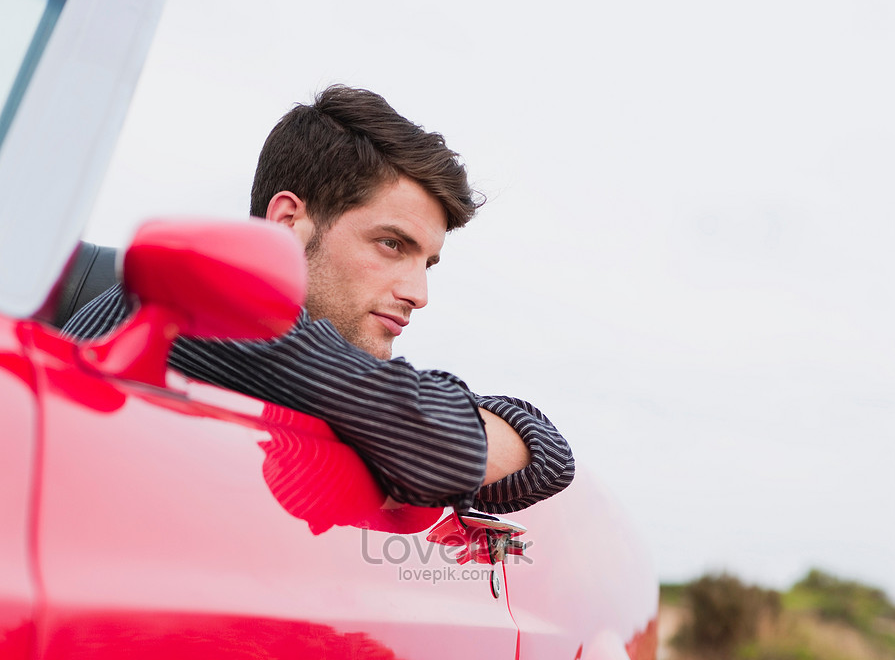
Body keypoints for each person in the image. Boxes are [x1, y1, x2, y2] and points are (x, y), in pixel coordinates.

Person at [65, 86, 574, 515]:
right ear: (287, 221)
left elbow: (547, 456)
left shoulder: (261, 346)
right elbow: (444, 450)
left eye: (427, 263)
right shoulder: (220, 314)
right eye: (391, 244)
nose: (418, 295)